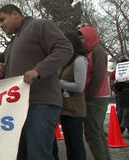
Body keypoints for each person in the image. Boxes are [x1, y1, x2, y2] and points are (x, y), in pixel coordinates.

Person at [0, 4, 73, 160]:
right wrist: (1, 73)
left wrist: (38, 70)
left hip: (41, 103)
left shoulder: (40, 25)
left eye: (3, 20)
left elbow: (65, 48)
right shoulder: (13, 43)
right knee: (20, 154)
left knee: (38, 154)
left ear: (15, 14)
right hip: (19, 108)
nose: (1, 25)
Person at [79, 26, 111, 160]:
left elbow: (97, 77)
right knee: (98, 132)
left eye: (82, 38)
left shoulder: (98, 51)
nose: (81, 41)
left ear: (89, 37)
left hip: (96, 97)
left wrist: (88, 97)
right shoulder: (89, 52)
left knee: (92, 133)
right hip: (95, 97)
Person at [59, 31, 88, 160]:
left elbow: (79, 86)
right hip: (65, 109)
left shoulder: (80, 60)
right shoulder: (67, 61)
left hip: (75, 109)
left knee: (76, 144)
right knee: (69, 144)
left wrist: (59, 83)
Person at [111, 59, 129, 134]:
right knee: (120, 112)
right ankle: (119, 129)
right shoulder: (115, 73)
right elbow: (112, 84)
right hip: (119, 94)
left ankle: (121, 128)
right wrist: (115, 83)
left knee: (126, 112)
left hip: (126, 94)